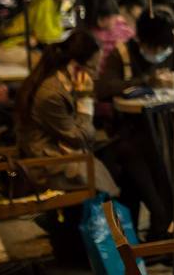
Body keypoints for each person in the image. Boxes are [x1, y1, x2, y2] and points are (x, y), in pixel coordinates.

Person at [97, 13, 174, 239]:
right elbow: (103, 88)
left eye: (163, 47)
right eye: (153, 48)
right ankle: (164, 222)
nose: (159, 53)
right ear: (140, 41)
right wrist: (145, 81)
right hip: (131, 131)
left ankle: (168, 223)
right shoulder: (122, 54)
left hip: (168, 128)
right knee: (151, 157)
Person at [14, 29, 106, 191]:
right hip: (48, 165)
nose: (97, 74)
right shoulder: (52, 94)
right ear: (75, 66)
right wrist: (85, 100)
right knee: (118, 163)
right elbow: (78, 138)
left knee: (123, 155)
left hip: (60, 151)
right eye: (93, 67)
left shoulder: (64, 81)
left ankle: (113, 213)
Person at [0, 0, 64, 66]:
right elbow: (47, 35)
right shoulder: (45, 2)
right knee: (47, 63)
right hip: (9, 48)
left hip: (15, 47)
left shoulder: (52, 2)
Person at [89, 0, 135, 74]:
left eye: (107, 17)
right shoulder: (90, 36)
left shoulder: (123, 29)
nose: (100, 22)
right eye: (99, 17)